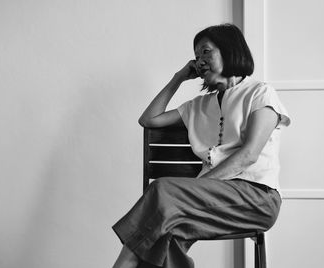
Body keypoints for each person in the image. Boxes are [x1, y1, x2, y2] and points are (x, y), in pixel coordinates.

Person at [112, 23, 290, 268]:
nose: (200, 61)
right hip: (208, 199)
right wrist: (179, 77)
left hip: (256, 198)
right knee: (165, 236)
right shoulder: (198, 106)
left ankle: (122, 265)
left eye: (206, 52)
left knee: (162, 189)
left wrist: (193, 188)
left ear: (229, 51)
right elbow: (148, 120)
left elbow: (248, 155)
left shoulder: (260, 93)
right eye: (196, 56)